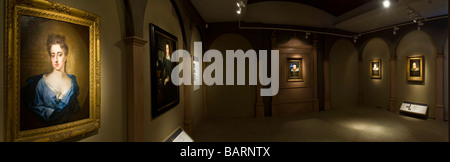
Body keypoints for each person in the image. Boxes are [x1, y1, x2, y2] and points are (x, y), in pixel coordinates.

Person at [22, 34, 80, 126]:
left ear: (65, 57)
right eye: (53, 55)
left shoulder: (73, 83)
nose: (56, 59)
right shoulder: (42, 83)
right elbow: (37, 108)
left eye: (59, 55)